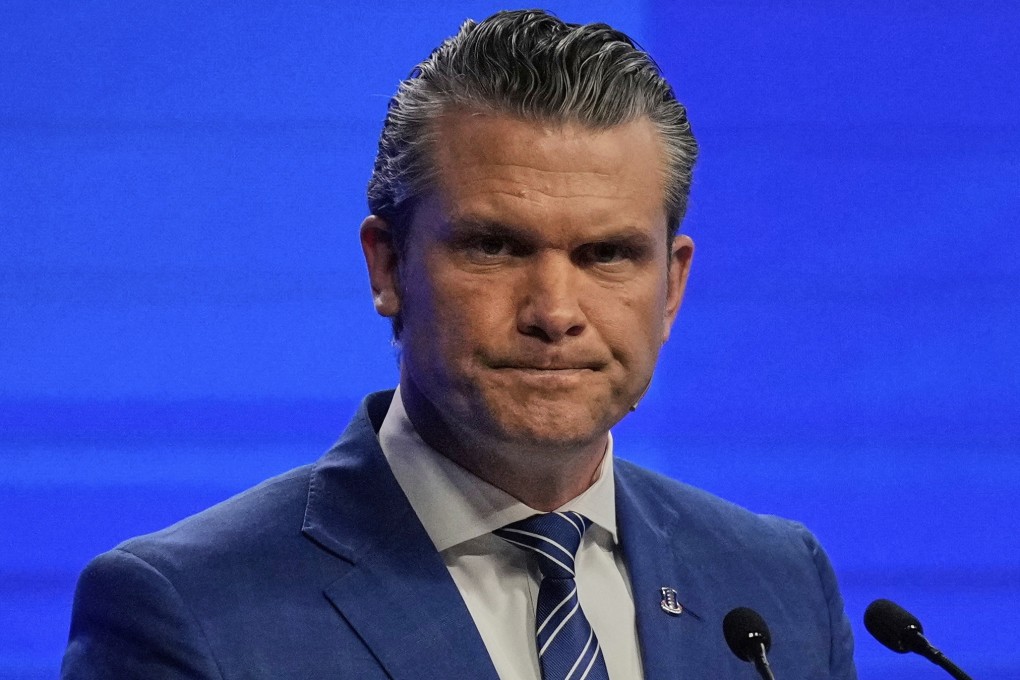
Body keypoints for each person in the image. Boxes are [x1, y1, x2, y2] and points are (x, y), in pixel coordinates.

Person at [62, 9, 857, 679]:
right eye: (495, 247)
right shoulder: (185, 610)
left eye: (607, 254)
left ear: (672, 287)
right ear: (389, 267)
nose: (554, 310)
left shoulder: (778, 583)